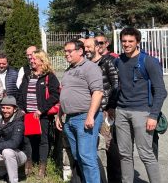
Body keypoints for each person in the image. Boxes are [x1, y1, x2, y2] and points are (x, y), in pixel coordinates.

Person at [116, 28, 167, 183]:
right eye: (124, 41)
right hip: (121, 112)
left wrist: (153, 116)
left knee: (146, 154)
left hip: (142, 113)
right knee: (124, 154)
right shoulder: (118, 61)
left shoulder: (149, 61)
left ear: (137, 42)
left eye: (130, 41)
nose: (126, 44)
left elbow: (160, 91)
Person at [54, 40, 104, 183]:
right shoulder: (69, 70)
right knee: (78, 157)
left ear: (80, 51)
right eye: (65, 51)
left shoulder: (90, 67)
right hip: (70, 119)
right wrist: (59, 114)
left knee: (87, 157)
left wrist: (90, 116)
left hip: (84, 117)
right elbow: (65, 93)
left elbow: (98, 93)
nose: (66, 54)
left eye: (69, 51)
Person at [17, 50, 60, 178]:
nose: (31, 61)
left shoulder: (49, 76)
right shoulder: (27, 75)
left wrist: (41, 109)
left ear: (42, 60)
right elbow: (20, 94)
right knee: (27, 140)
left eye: (34, 59)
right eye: (30, 59)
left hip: (42, 115)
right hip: (28, 115)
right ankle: (28, 164)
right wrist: (21, 108)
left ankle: (42, 167)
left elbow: (55, 95)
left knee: (43, 140)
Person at [85, 38, 121, 182]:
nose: (86, 49)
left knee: (110, 145)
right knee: (92, 146)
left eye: (89, 47)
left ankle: (115, 179)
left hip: (105, 110)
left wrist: (111, 105)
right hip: (90, 110)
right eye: (84, 47)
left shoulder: (107, 62)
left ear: (99, 47)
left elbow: (116, 84)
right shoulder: (86, 64)